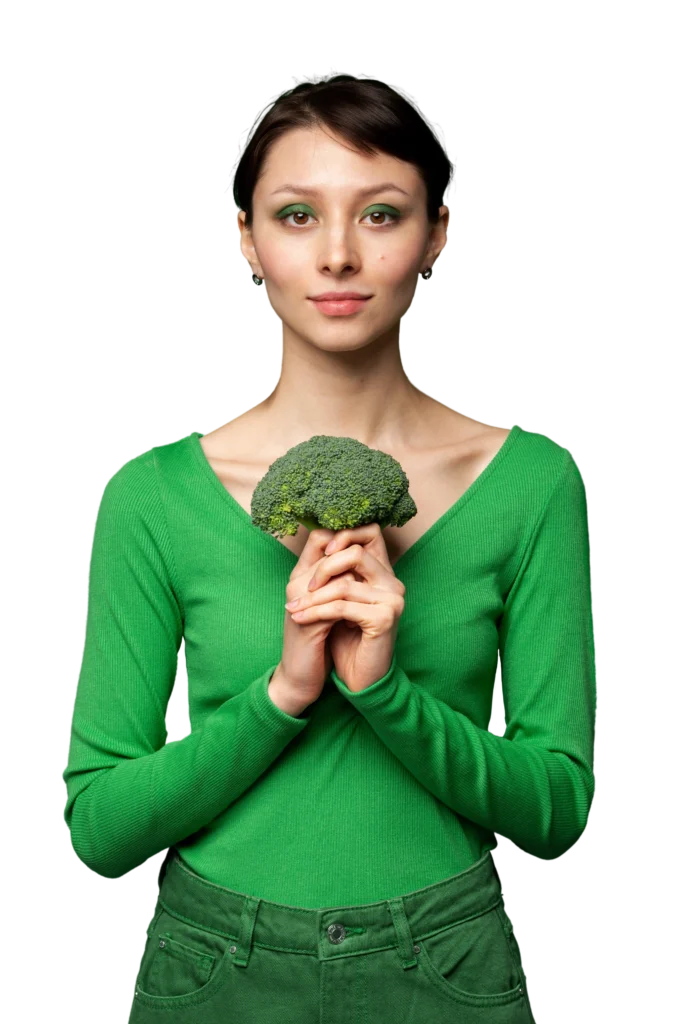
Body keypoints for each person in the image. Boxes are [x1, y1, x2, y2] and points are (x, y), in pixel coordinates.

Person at [63, 77, 596, 1023]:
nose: (340, 255)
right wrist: (284, 694)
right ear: (245, 237)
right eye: (298, 215)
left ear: (437, 234)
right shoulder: (150, 494)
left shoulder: (532, 481)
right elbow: (99, 833)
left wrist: (384, 694)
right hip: (213, 959)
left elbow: (556, 817)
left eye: (381, 214)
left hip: (445, 957)